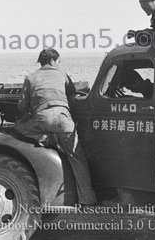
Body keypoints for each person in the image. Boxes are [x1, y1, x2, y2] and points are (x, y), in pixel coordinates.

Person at [15, 48, 97, 205]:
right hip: (63, 120)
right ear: (53, 61)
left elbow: (22, 107)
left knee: (18, 128)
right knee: (77, 157)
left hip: (41, 120)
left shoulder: (31, 77)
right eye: (59, 61)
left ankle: (46, 139)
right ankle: (87, 199)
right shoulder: (61, 73)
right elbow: (72, 92)